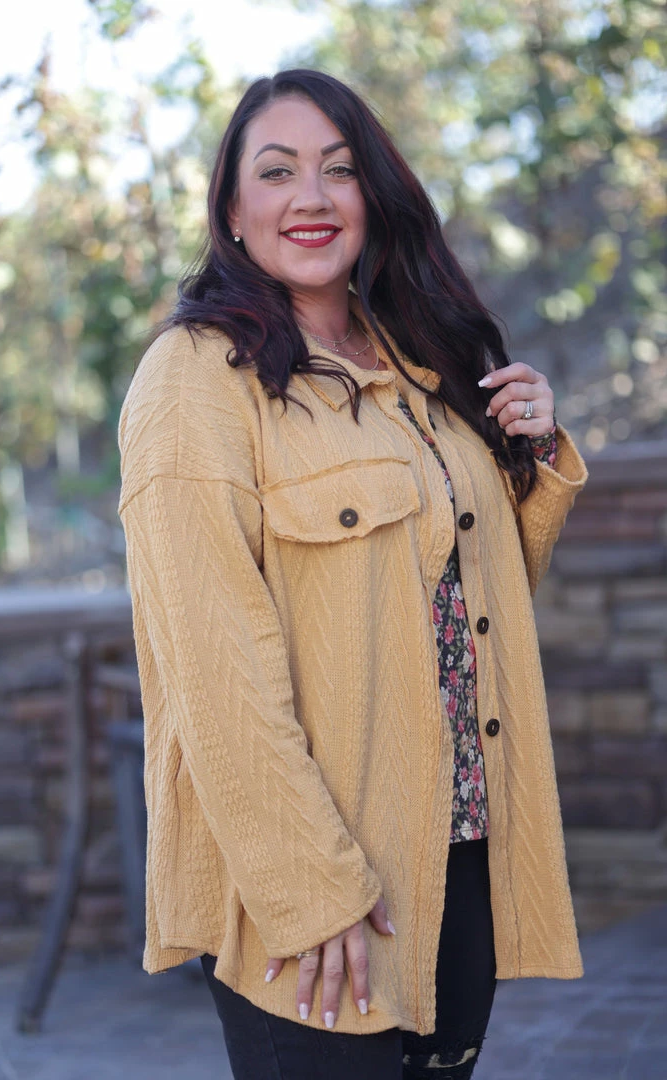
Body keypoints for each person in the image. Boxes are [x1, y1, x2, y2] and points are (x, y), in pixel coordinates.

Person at [118, 69, 587, 1079]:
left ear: (373, 193)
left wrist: (532, 452)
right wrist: (309, 886)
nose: (313, 197)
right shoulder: (194, 379)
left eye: (339, 169)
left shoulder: (418, 359)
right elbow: (213, 668)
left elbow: (476, 602)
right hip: (321, 876)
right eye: (277, 171)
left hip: (460, 844)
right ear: (231, 210)